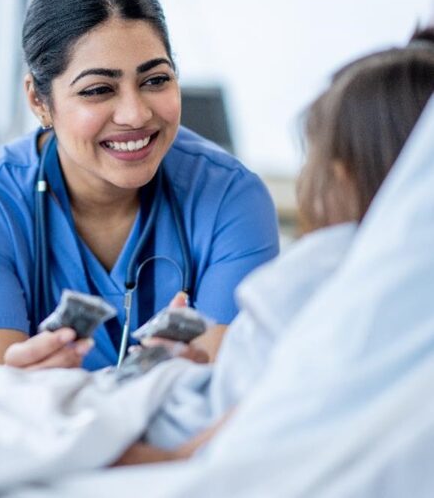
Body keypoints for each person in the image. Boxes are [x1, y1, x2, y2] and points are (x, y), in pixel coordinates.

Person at [116, 25, 434, 465]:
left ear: (339, 176)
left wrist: (156, 383)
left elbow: (237, 437)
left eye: (310, 159)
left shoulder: (324, 269)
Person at [0, 0, 279, 374]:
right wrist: (14, 388)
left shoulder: (232, 198)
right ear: (38, 100)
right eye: (98, 89)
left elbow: (222, 398)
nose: (135, 114)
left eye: (155, 80)